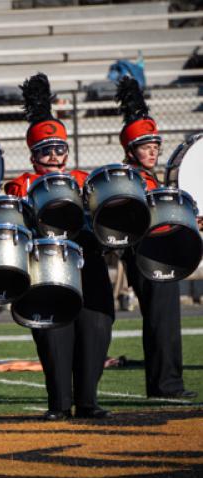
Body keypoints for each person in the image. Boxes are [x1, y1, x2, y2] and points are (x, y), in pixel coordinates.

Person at [5, 73, 114, 420]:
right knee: (52, 331)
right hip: (46, 264)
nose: (54, 155)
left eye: (59, 148)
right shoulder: (20, 184)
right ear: (33, 154)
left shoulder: (85, 180)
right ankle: (58, 403)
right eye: (45, 150)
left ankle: (88, 401)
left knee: (96, 329)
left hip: (87, 260)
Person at [115, 77, 197, 399]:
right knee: (161, 318)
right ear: (130, 149)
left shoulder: (150, 178)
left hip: (162, 250)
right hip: (147, 253)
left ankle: (166, 383)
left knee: (166, 318)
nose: (153, 151)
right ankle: (165, 385)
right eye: (146, 146)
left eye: (155, 146)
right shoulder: (128, 178)